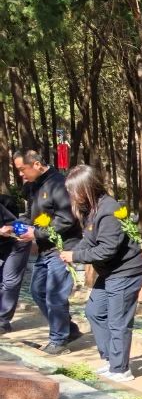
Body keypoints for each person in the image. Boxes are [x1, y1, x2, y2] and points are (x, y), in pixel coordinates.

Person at [61, 165, 142, 381]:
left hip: (125, 271)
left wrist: (75, 256)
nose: (72, 195)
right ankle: (111, 359)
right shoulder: (91, 210)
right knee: (95, 311)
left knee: (118, 320)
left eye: (74, 190)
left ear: (87, 188)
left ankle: (121, 369)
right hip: (110, 272)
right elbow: (89, 241)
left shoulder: (108, 210)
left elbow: (107, 250)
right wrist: (73, 252)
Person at [1, 150, 83, 353]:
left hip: (62, 247)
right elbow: (31, 216)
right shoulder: (34, 186)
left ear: (37, 164)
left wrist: (36, 233)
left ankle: (58, 341)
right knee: (38, 291)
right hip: (45, 248)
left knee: (55, 294)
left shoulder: (59, 184)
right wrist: (16, 227)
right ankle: (69, 329)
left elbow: (66, 219)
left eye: (22, 169)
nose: (20, 174)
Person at [0, 192, 29, 335]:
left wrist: (12, 229)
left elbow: (20, 226)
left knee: (9, 282)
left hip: (16, 242)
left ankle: (2, 321)